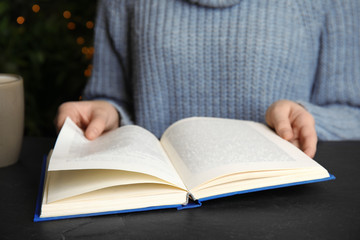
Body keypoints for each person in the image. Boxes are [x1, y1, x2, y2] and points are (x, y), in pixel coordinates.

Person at [55, 0, 360, 159]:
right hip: (156, 206)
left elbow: (352, 113)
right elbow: (112, 100)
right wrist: (109, 114)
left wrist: (306, 118)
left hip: (282, 204)